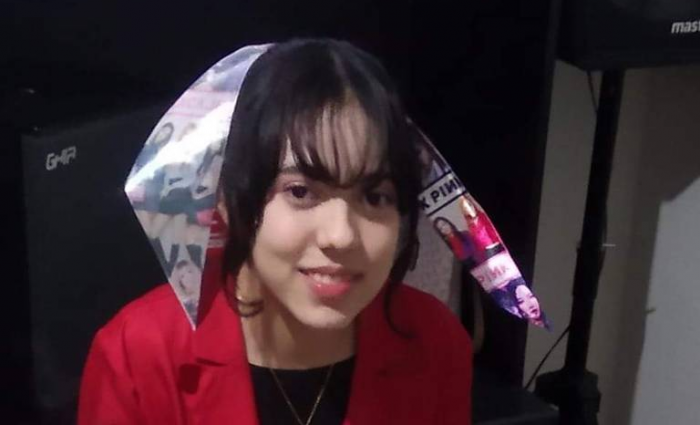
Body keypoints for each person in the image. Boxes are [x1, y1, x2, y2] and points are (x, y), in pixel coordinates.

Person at [79, 38, 473, 425]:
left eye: (374, 197)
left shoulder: (435, 341)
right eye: (300, 191)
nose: (341, 235)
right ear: (227, 199)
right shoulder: (139, 355)